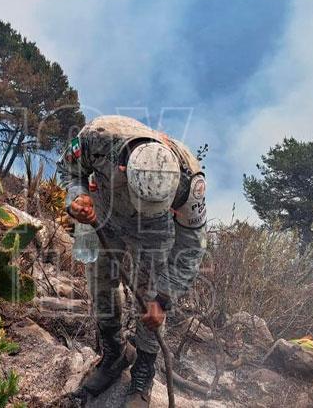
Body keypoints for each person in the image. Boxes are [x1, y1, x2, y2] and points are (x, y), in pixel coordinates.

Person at [58, 115, 207, 407]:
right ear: (123, 169)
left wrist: (163, 299)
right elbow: (70, 170)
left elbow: (191, 245)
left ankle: (144, 370)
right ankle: (115, 354)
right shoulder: (97, 138)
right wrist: (77, 198)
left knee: (150, 300)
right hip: (103, 215)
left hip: (154, 232)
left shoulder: (189, 179)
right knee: (100, 284)